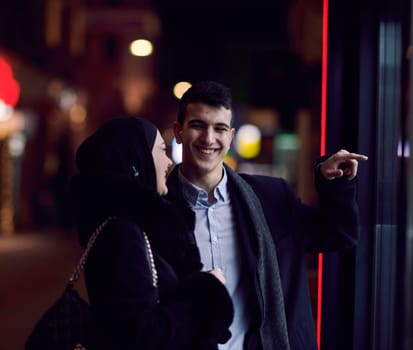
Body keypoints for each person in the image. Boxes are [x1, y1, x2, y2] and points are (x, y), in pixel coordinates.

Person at [165, 81, 368, 350]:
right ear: (178, 131)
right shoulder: (157, 209)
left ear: (231, 136)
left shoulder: (271, 197)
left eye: (220, 128)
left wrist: (334, 184)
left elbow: (338, 234)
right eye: (197, 125)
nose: (208, 138)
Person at [69, 117, 234, 349]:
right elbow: (143, 335)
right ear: (136, 162)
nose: (168, 162)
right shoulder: (122, 235)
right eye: (161, 151)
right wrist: (206, 291)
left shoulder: (135, 229)